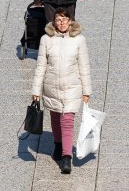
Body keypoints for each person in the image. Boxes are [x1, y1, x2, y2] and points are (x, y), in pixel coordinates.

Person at [31, 10, 92, 175]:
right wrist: (36, 90)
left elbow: (84, 66)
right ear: (54, 22)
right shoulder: (46, 39)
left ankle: (66, 157)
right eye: (58, 19)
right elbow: (41, 66)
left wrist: (87, 90)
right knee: (56, 117)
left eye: (65, 19)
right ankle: (58, 144)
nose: (62, 22)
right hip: (51, 87)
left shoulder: (79, 40)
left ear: (70, 21)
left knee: (67, 121)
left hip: (72, 88)